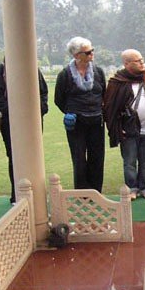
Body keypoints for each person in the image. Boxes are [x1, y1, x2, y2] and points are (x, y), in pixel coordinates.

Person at [103, 49, 145, 200]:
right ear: (127, 64)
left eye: (142, 59)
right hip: (128, 131)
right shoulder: (117, 83)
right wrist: (117, 129)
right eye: (138, 61)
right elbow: (109, 108)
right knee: (129, 162)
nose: (142, 63)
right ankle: (132, 188)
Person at [0, 60, 49, 204]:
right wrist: (15, 113)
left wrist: (38, 110)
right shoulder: (2, 70)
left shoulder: (33, 68)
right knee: (14, 156)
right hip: (10, 123)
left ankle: (37, 194)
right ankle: (16, 195)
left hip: (33, 121)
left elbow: (43, 93)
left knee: (34, 155)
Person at [54, 37, 107, 192]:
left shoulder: (98, 72)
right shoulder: (65, 75)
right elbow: (59, 99)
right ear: (77, 55)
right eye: (88, 52)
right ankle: (82, 192)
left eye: (92, 50)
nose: (92, 54)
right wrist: (70, 111)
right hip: (76, 123)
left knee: (97, 157)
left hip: (96, 120)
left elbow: (103, 93)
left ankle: (96, 191)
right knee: (79, 159)